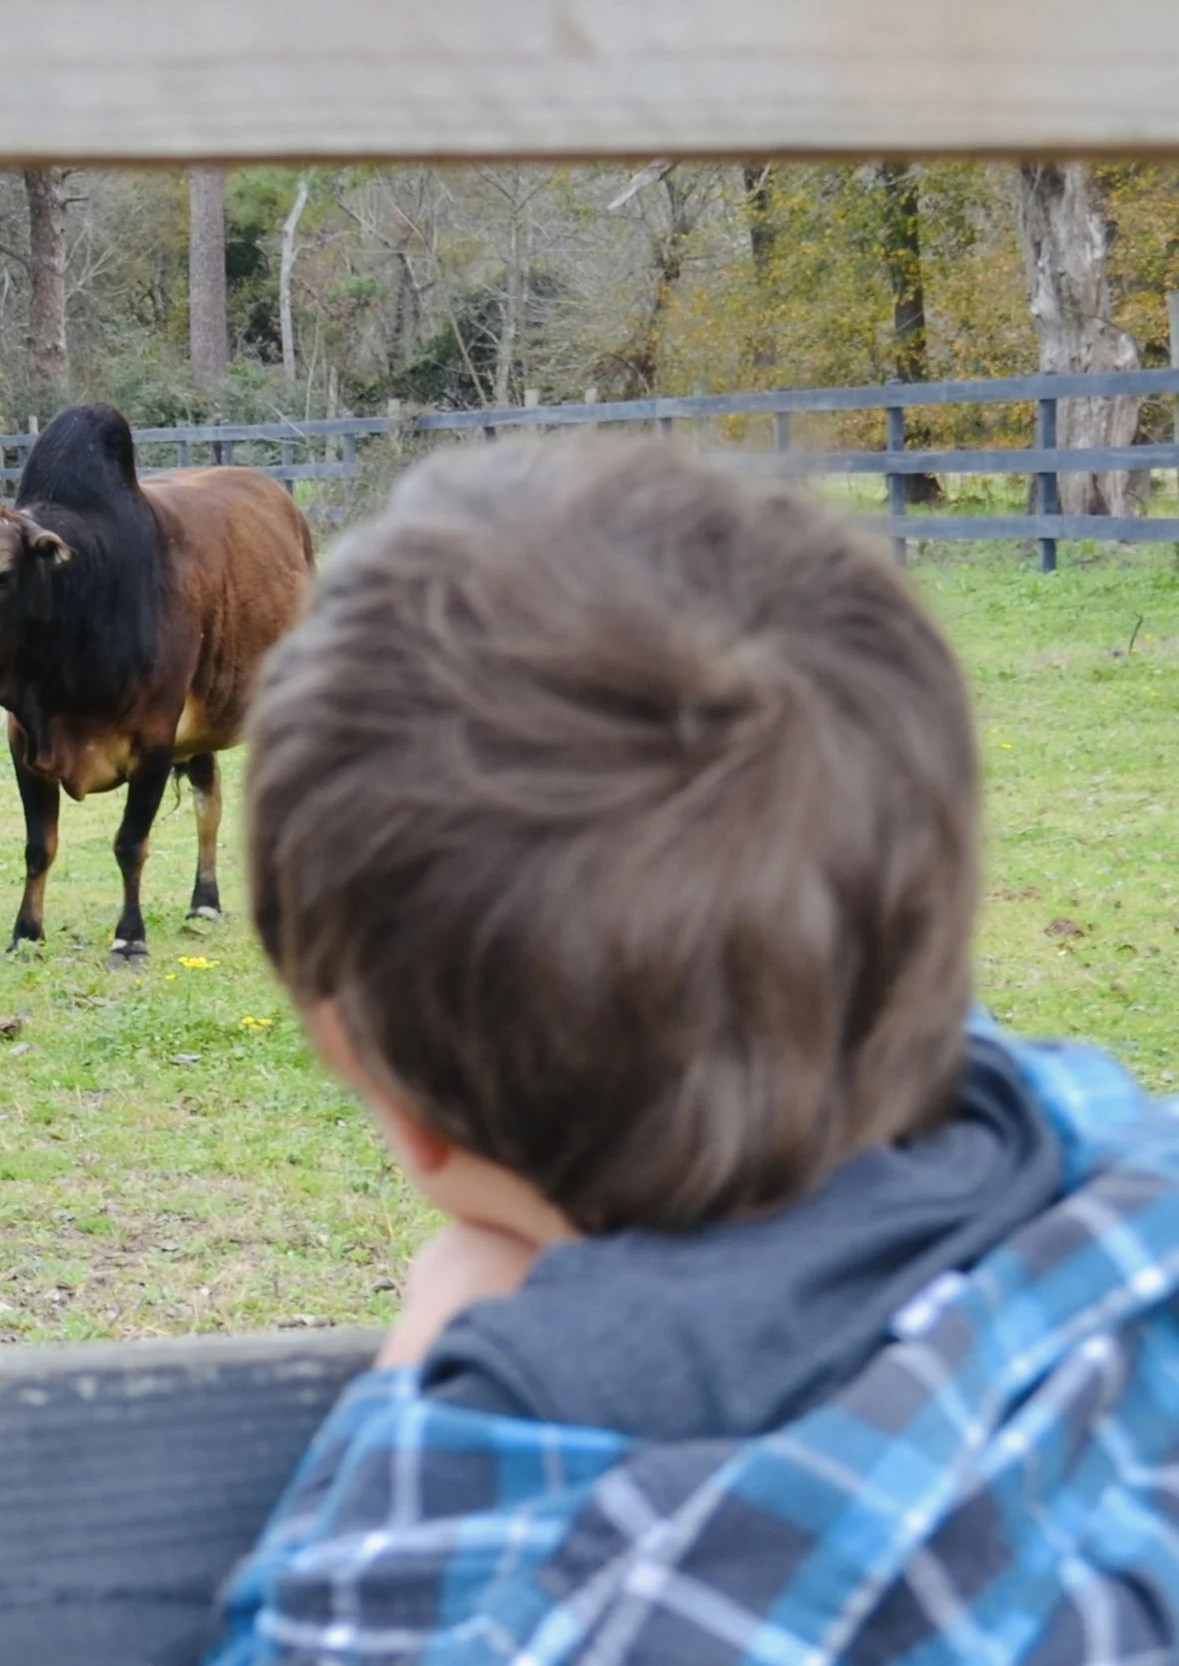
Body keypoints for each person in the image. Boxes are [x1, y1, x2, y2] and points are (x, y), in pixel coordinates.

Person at [211, 439, 1179, 1664]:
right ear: (929, 928)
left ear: (377, 1080)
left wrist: (421, 1368)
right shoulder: (1138, 1201)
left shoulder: (471, 1574)